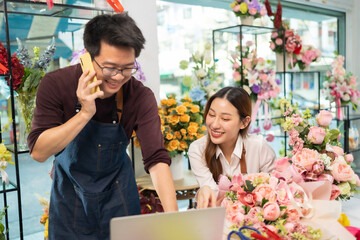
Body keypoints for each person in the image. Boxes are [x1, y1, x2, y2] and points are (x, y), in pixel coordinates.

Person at [28, 13, 178, 239]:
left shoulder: (139, 96)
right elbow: (39, 152)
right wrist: (85, 113)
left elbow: (156, 159)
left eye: (128, 68)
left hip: (120, 199)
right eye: (110, 67)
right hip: (69, 199)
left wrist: (175, 223)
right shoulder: (56, 84)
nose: (118, 77)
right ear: (87, 57)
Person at [188, 87, 276, 209]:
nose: (214, 124)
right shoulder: (198, 149)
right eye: (211, 114)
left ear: (244, 122)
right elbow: (213, 195)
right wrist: (204, 191)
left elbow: (275, 190)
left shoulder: (259, 147)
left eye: (225, 119)